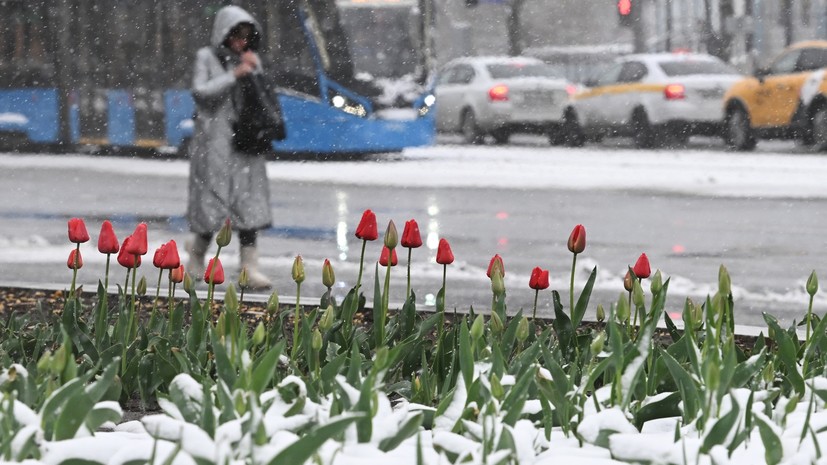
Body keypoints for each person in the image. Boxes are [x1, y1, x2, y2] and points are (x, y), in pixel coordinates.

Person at [186, 5, 272, 289]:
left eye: (247, 37)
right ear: (224, 34)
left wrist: (253, 72)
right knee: (212, 206)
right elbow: (201, 92)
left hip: (246, 142)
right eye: (236, 35)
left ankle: (249, 269)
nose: (241, 42)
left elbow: (264, 99)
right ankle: (196, 260)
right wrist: (234, 74)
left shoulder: (250, 59)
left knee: (248, 205)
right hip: (215, 144)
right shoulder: (207, 57)